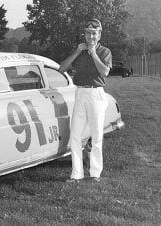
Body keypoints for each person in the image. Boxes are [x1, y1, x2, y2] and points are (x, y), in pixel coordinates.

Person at [59, 19, 112, 182]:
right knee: (75, 135)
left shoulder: (104, 51)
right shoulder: (79, 51)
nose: (91, 36)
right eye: (88, 33)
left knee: (96, 136)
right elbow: (62, 68)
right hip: (80, 92)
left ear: (99, 35)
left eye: (94, 33)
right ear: (84, 34)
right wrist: (77, 51)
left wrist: (93, 53)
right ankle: (76, 174)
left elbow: (104, 72)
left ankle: (95, 173)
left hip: (96, 94)